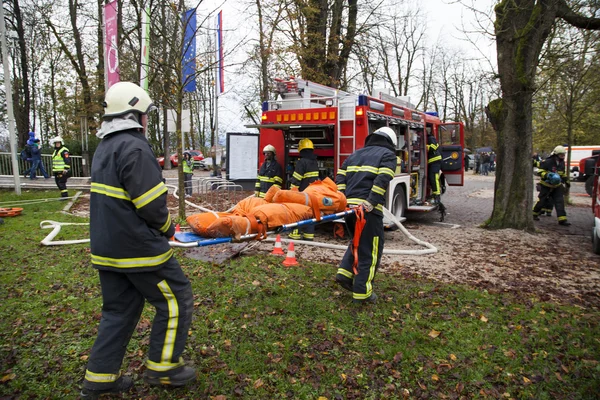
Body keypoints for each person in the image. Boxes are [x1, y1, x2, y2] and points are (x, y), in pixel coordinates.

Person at [81, 82, 196, 397]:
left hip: (107, 249)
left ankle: (99, 379)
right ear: (134, 113)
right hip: (137, 250)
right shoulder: (133, 146)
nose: (147, 120)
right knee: (176, 299)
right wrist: (170, 229)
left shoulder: (105, 146)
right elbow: (150, 205)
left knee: (119, 310)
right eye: (145, 114)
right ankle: (164, 367)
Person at [334, 126, 397, 304]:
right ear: (391, 142)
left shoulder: (354, 155)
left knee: (357, 242)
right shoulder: (388, 155)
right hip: (368, 210)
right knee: (371, 250)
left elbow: (340, 176)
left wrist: (343, 200)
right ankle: (363, 294)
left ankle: (345, 274)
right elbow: (382, 180)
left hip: (349, 210)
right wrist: (371, 201)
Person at [288, 138, 320, 241]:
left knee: (298, 212)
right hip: (312, 193)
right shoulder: (314, 162)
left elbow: (297, 179)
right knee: (310, 213)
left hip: (302, 193)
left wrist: (291, 192)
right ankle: (308, 235)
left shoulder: (301, 162)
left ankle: (295, 234)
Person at [532, 145, 571, 226]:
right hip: (546, 185)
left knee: (560, 201)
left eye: (564, 155)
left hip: (557, 186)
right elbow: (540, 171)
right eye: (561, 155)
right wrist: (547, 175)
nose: (563, 156)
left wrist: (566, 181)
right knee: (542, 201)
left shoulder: (562, 163)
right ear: (556, 154)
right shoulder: (548, 161)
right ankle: (534, 214)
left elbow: (562, 173)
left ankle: (562, 219)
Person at [426, 129, 442, 204]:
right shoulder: (429, 138)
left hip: (435, 161)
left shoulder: (431, 138)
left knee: (434, 178)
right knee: (431, 178)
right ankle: (435, 194)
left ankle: (437, 195)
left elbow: (434, 147)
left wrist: (426, 147)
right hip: (432, 161)